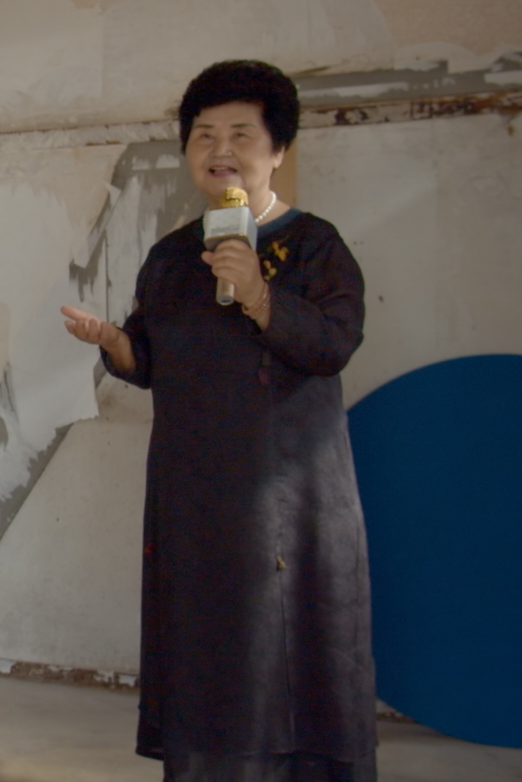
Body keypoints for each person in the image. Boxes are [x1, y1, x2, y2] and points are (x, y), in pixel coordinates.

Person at [60, 60, 376, 781]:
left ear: (278, 149)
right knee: (206, 655)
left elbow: (333, 345)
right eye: (203, 135)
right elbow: (151, 359)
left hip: (290, 498)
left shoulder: (316, 246)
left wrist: (260, 294)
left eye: (240, 133)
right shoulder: (172, 256)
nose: (219, 149)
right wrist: (115, 343)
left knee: (291, 653)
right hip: (194, 499)